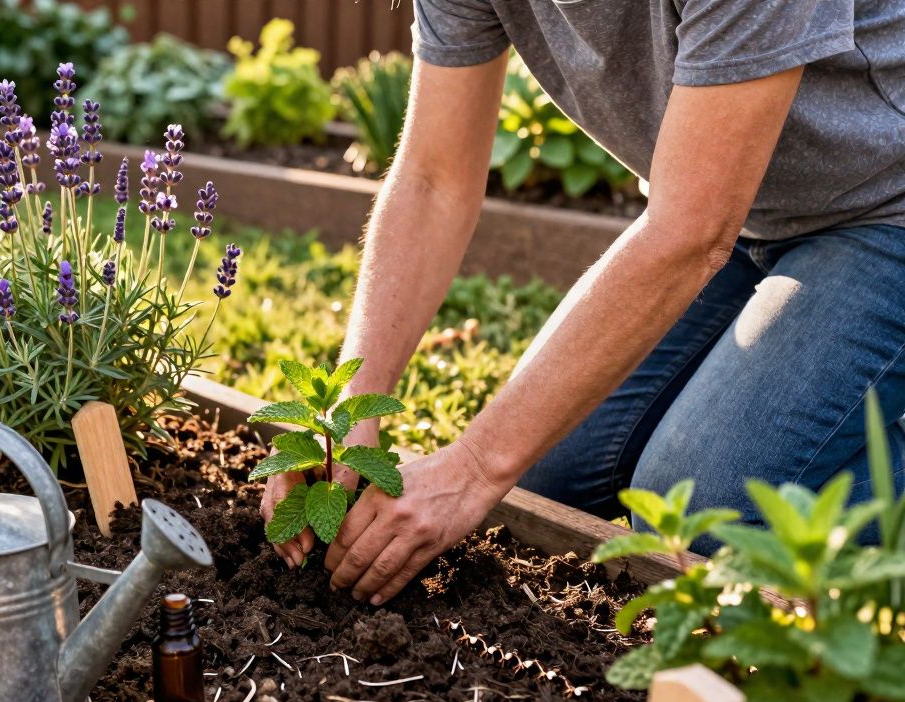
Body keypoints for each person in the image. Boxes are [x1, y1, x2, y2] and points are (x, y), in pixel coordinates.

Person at [261, 0, 905, 606]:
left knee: (705, 511)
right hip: (742, 211)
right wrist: (348, 410)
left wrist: (475, 466)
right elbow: (433, 181)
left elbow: (690, 233)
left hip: (885, 207)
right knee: (543, 477)